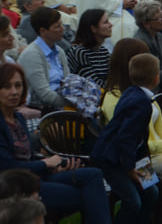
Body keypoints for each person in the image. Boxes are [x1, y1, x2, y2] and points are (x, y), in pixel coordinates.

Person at [0, 62, 112, 223]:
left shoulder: (18, 118)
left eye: (18, 85)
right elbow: (7, 167)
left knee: (93, 175)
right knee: (89, 195)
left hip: (35, 177)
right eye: (6, 87)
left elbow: (29, 158)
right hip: (14, 186)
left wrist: (55, 167)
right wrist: (46, 164)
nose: (14, 92)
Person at [91, 53, 162, 224]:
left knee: (152, 192)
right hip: (112, 159)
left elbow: (138, 139)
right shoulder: (140, 103)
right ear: (156, 78)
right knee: (133, 201)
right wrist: (130, 169)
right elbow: (127, 137)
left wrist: (146, 166)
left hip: (134, 156)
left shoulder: (132, 92)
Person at [17, 7, 72, 112]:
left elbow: (69, 82)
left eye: (61, 24)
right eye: (57, 26)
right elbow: (45, 95)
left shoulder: (59, 51)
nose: (62, 29)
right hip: (40, 110)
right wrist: (73, 102)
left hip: (60, 106)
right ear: (43, 31)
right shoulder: (32, 55)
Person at [67, 8, 113, 88]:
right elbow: (94, 85)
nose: (110, 24)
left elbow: (112, 79)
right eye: (106, 22)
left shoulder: (104, 51)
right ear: (93, 28)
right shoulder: (79, 53)